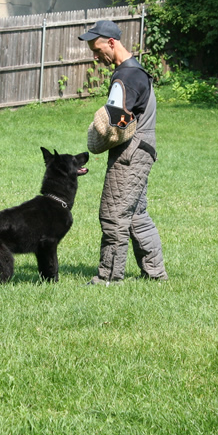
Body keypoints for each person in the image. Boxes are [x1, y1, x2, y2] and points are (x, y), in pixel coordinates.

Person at [78, 20, 168, 284]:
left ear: (111, 42)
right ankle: (155, 273)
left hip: (130, 154)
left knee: (114, 214)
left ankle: (108, 278)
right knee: (136, 214)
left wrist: (95, 137)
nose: (95, 56)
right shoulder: (137, 71)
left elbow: (116, 122)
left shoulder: (125, 77)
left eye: (97, 49)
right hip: (143, 150)